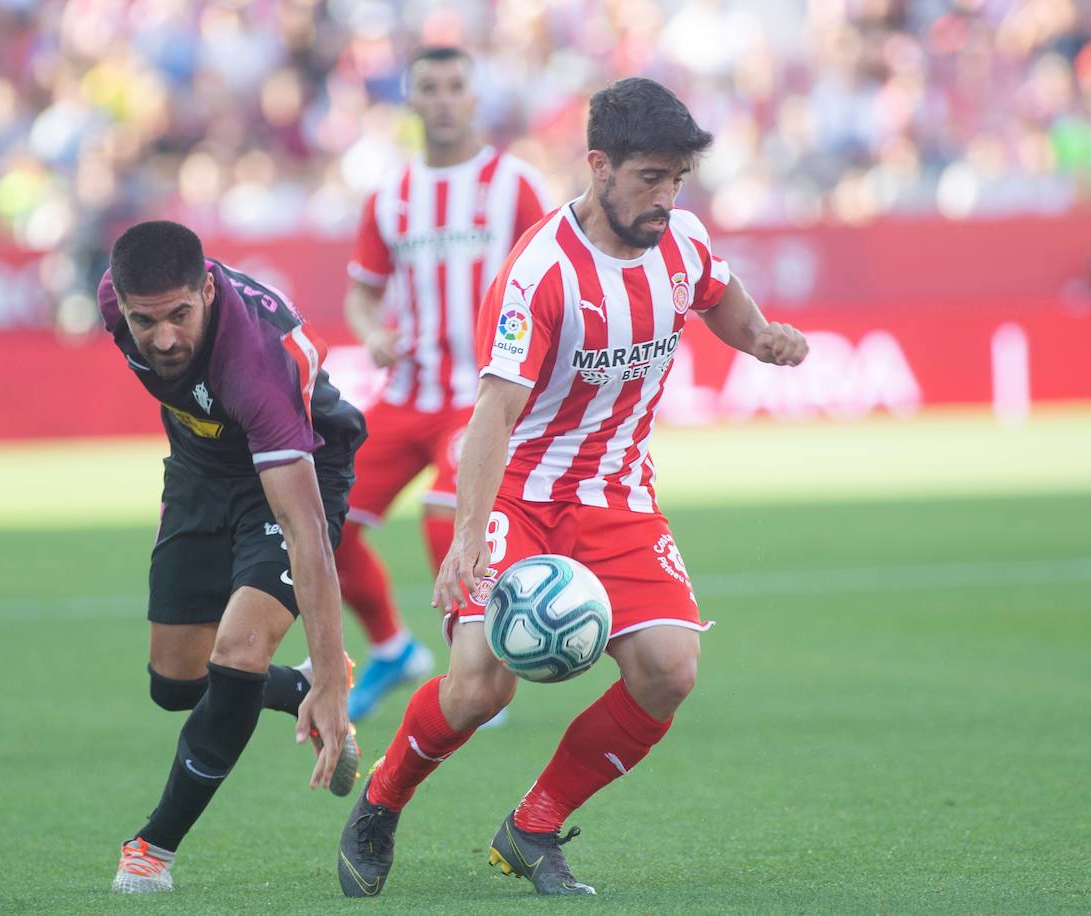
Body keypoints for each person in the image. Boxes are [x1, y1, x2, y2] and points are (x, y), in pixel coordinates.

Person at [336, 77, 809, 897]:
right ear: (599, 165)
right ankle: (384, 798)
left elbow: (719, 297)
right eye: (649, 179)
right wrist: (468, 543)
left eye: (676, 180)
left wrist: (760, 337)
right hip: (519, 495)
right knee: (480, 686)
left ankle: (534, 826)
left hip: (619, 498)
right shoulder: (540, 273)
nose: (665, 198)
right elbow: (492, 417)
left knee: (669, 669)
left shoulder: (685, 242)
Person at [97, 220, 366, 894]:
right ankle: (290, 686)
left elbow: (307, 535)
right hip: (197, 471)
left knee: (238, 653)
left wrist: (335, 682)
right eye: (145, 321)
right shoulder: (112, 298)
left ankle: (152, 849)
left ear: (208, 290)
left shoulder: (258, 367)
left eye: (180, 316)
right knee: (177, 684)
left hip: (298, 471)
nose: (163, 339)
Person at [339, 45, 551, 721]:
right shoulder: (390, 195)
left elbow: (553, 274)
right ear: (411, 99)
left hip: (480, 395)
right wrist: (372, 333)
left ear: (474, 97)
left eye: (455, 85)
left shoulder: (515, 184)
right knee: (318, 520)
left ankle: (478, 676)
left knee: (446, 518)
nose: (442, 98)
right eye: (428, 86)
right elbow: (361, 294)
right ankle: (394, 649)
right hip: (406, 394)